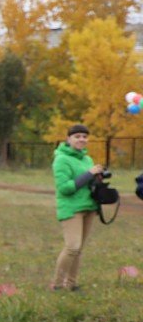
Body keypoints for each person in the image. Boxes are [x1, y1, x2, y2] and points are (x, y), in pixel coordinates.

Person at [51, 123, 104, 290]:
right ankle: (57, 285)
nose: (82, 139)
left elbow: (87, 182)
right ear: (68, 139)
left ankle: (71, 284)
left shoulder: (87, 159)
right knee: (72, 247)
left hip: (88, 207)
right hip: (71, 208)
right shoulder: (61, 159)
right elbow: (65, 188)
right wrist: (89, 174)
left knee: (79, 249)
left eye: (84, 137)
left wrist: (98, 179)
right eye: (77, 136)